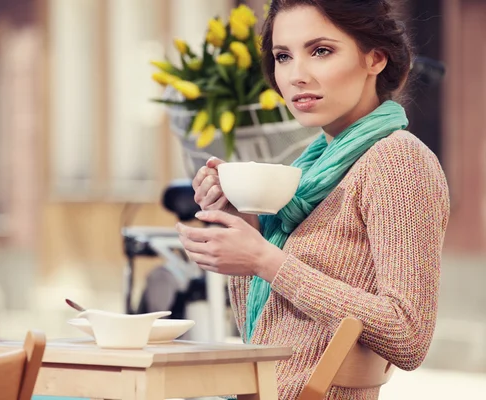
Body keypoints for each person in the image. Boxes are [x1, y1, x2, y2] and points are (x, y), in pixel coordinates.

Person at [175, 0, 450, 399]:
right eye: (283, 56)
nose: (296, 75)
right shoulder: (308, 175)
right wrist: (245, 222)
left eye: (320, 51)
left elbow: (408, 334)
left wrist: (265, 260)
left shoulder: (398, 161)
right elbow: (266, 332)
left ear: (375, 58)